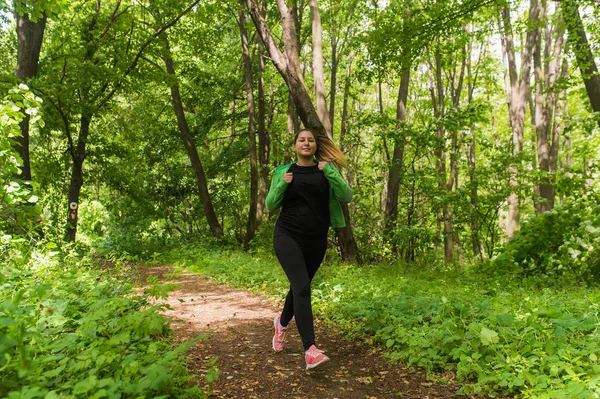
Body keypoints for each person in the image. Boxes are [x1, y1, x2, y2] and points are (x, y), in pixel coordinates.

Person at [265, 128, 352, 370]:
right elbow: (271, 204)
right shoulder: (284, 172)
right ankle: (310, 349)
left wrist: (330, 172)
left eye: (310, 140)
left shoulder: (326, 170)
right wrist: (282, 185)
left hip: (316, 239)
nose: (306, 143)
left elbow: (346, 196)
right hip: (287, 235)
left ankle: (281, 324)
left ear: (315, 146)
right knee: (302, 287)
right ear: (295, 146)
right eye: (301, 140)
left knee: (299, 286)